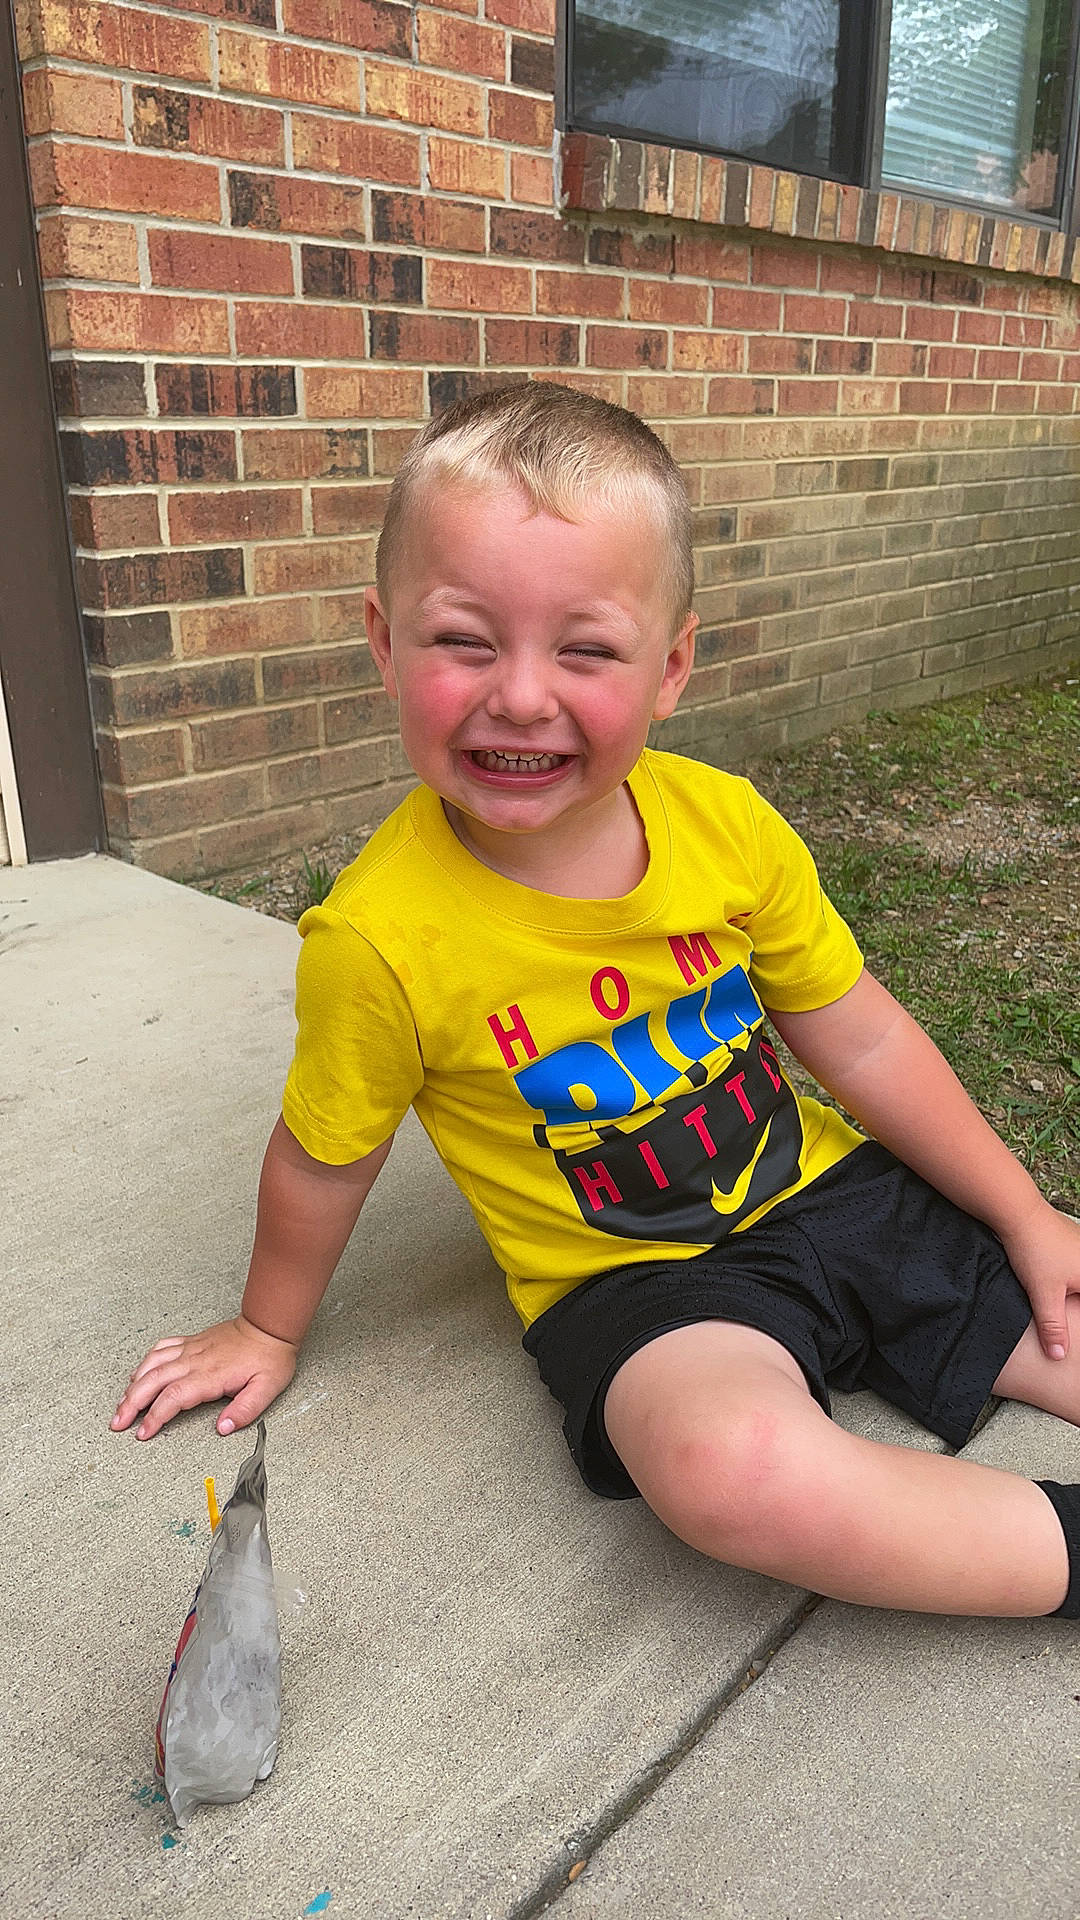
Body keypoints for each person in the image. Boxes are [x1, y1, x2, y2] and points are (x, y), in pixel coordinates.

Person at [112, 382, 1080, 1619]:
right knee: (729, 1471)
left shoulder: (722, 826)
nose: (521, 695)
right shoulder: (381, 938)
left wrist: (1026, 1212)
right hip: (641, 1286)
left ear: (671, 665)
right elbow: (324, 1155)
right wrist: (265, 1327)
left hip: (839, 1192)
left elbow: (865, 1031)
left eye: (585, 648)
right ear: (383, 640)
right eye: (465, 639)